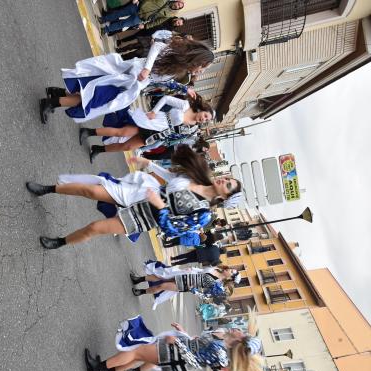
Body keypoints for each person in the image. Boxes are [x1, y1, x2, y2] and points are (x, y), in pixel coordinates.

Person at [25, 146, 242, 249]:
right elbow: (171, 177)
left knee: (94, 228)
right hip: (139, 193)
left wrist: (161, 207)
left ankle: (60, 242)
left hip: (144, 217)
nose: (224, 180)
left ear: (225, 198)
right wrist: (150, 164)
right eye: (227, 178)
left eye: (228, 185)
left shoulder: (203, 214)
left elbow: (171, 229)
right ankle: (47, 189)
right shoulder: (197, 177)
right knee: (91, 190)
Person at [39, 35, 214, 123]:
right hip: (131, 74)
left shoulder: (182, 68)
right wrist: (147, 68)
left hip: (134, 83)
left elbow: (162, 79)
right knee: (96, 96)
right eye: (203, 66)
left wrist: (184, 89)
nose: (200, 70)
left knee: (94, 91)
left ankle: (56, 96)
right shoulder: (178, 51)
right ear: (199, 59)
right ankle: (52, 102)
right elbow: (158, 45)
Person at [84, 309, 265, 371]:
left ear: (241, 340)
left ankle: (97, 367)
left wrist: (177, 342)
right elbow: (197, 345)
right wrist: (183, 333)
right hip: (174, 353)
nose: (238, 329)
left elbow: (194, 362)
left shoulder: (220, 352)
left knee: (136, 352)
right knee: (138, 355)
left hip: (173, 355)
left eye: (243, 332)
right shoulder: (222, 342)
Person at [82, 95, 214, 161]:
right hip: (152, 121)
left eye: (207, 120)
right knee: (121, 132)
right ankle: (88, 132)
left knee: (126, 147)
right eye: (205, 115)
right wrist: (154, 111)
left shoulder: (193, 128)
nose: (204, 119)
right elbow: (166, 99)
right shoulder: (186, 106)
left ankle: (98, 149)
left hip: (157, 135)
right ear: (203, 109)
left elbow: (177, 138)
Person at [130, 264, 240, 297]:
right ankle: (138, 279)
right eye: (231, 269)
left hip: (187, 285)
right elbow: (202, 270)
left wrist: (194, 290)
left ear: (230, 278)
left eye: (231, 272)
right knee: (161, 276)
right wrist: (192, 269)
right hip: (186, 274)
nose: (230, 269)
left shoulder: (218, 285)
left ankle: (141, 292)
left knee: (162, 286)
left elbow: (205, 295)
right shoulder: (216, 268)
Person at [98, 0, 185, 36]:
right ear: (176, 1)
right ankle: (103, 19)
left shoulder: (170, 15)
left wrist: (146, 26)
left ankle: (105, 30)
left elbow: (158, 22)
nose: (177, 6)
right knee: (119, 13)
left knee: (123, 24)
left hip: (141, 18)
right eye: (178, 4)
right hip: (138, 7)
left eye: (179, 7)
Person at [115, 17, 187, 48]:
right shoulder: (169, 17)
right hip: (147, 24)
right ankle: (115, 29)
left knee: (135, 36)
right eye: (178, 22)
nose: (177, 23)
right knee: (131, 27)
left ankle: (121, 41)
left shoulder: (170, 29)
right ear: (178, 18)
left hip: (150, 32)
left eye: (179, 24)